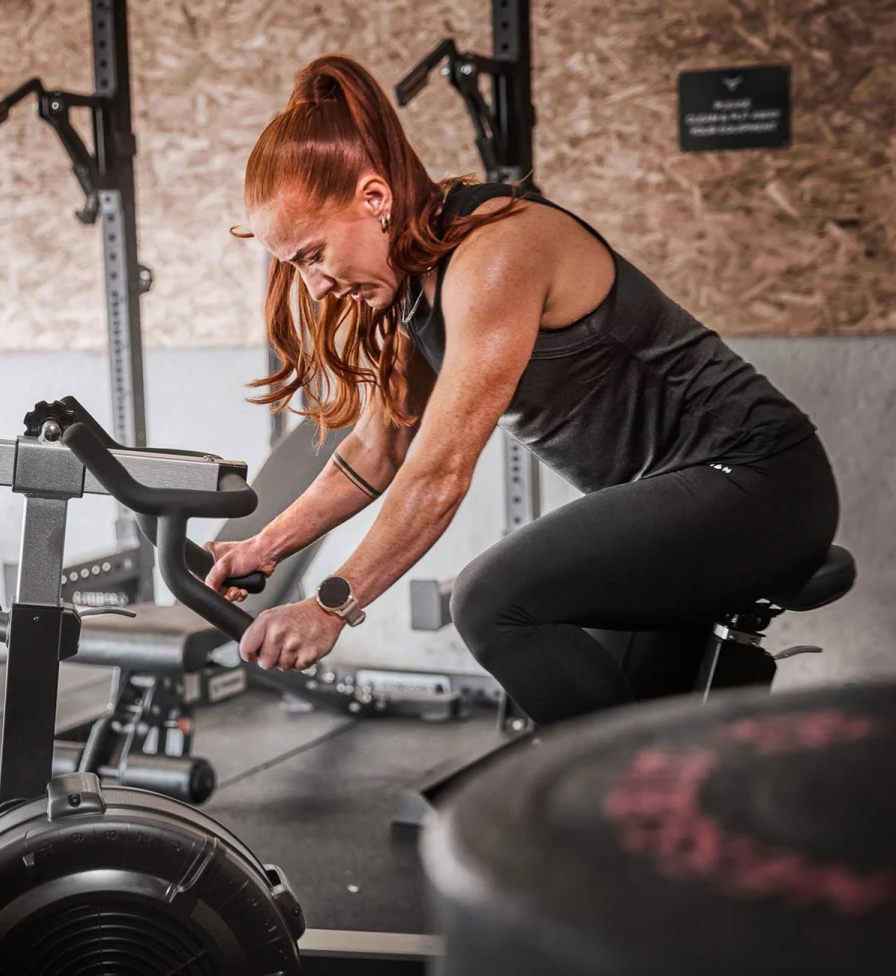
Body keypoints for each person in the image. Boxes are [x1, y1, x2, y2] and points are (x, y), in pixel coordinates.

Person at [203, 54, 838, 727]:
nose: (314, 287)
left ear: (375, 198)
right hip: (682, 500)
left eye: (313, 255)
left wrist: (331, 606)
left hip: (761, 483)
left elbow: (438, 474)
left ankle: (626, 787)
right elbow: (375, 451)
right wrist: (263, 546)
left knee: (490, 600)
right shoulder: (416, 284)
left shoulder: (494, 254)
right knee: (632, 713)